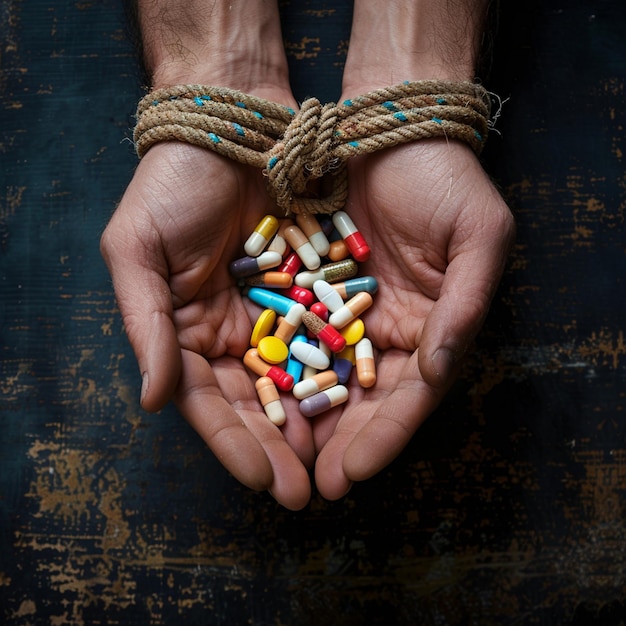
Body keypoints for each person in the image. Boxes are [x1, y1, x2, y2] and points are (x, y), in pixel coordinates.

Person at [100, 0, 515, 510]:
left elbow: (303, 310)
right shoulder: (308, 303)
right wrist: (219, 76)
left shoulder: (303, 299)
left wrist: (414, 78)